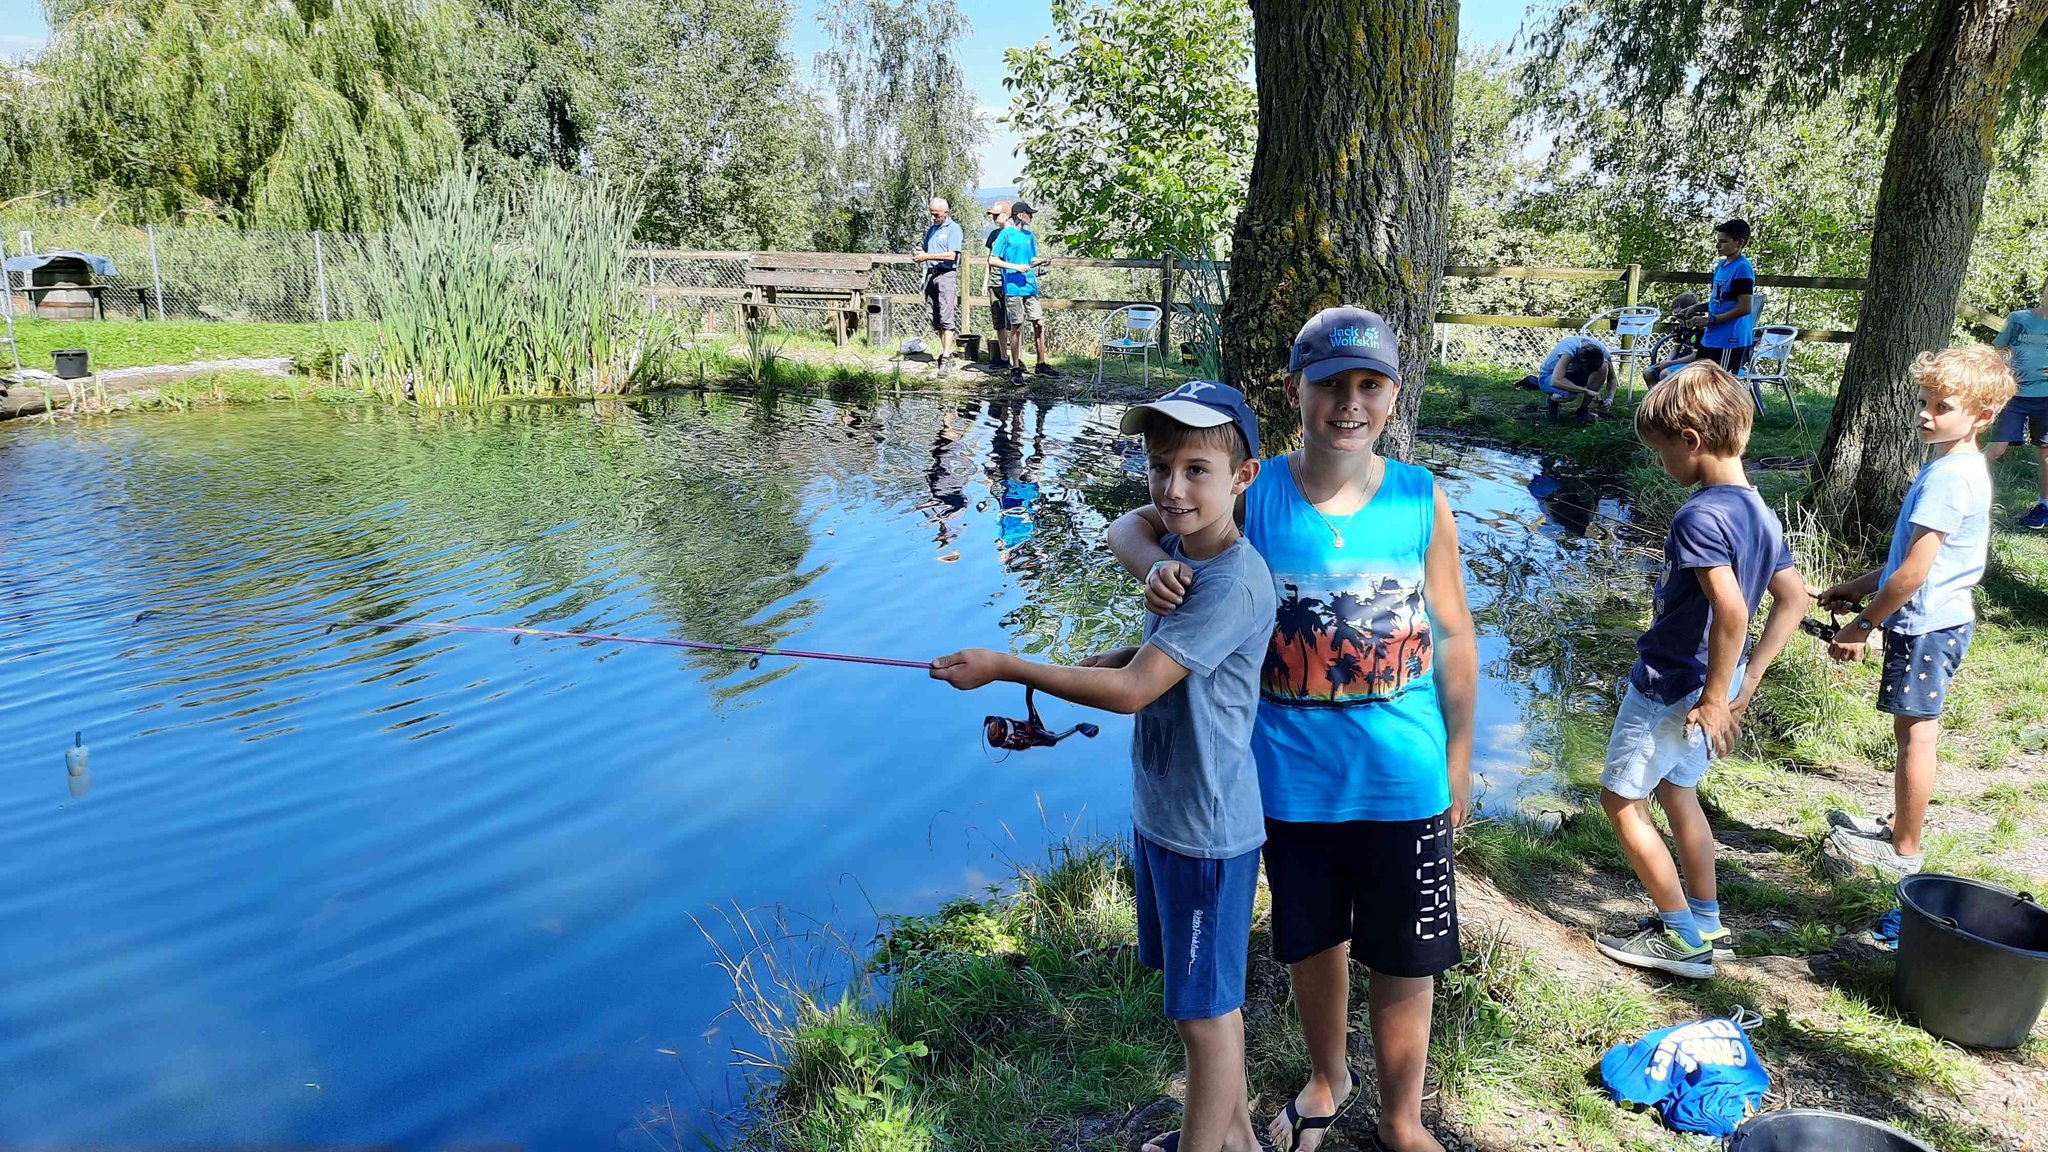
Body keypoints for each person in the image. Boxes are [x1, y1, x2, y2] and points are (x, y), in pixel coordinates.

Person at [1112, 308, 1479, 1152]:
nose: (1348, 403)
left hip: (1405, 773)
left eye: (1368, 385)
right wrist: (1157, 564)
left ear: (1393, 393)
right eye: (1329, 385)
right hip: (1286, 776)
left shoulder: (1424, 499)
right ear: (1295, 392)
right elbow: (1134, 525)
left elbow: (1454, 636)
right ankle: (1327, 1077)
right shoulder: (1253, 487)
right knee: (1314, 939)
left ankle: (1402, 1118)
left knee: (1406, 956)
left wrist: (1458, 759)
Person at [932, 381, 1275, 1152]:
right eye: (1160, 467)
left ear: (1242, 478)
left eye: (1196, 470)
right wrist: (1126, 622)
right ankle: (1242, 1144)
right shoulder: (1184, 555)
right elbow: (1154, 639)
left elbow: (1134, 692)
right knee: (1204, 1005)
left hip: (1207, 833)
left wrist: (1007, 665)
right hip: (1167, 815)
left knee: (1204, 1016)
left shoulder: (1232, 579)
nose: (1173, 488)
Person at [1592, 362, 1809, 979]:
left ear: (1689, 439)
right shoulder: (1760, 511)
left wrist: (1716, 698)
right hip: (1717, 681)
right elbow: (1792, 599)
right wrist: (1743, 685)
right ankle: (1707, 917)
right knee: (1677, 790)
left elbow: (1734, 609)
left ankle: (1683, 942)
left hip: (1671, 684)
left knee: (1620, 801)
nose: (1663, 464)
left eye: (1661, 452)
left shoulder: (1700, 515)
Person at [1817, 345, 2018, 879]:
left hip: (1927, 625)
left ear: (1982, 416)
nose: (1927, 414)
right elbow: (1905, 563)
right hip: (1940, 618)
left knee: (1916, 734)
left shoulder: (1950, 477)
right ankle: (1900, 828)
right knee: (1915, 729)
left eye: (1942, 406)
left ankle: (1904, 849)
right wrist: (1857, 587)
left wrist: (1863, 625)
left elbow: (1913, 574)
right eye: (1924, 401)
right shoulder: (1956, 465)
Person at [1987, 278, 2048, 528]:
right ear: (2042, 290)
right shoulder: (2019, 318)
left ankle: (2044, 506)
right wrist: (2004, 371)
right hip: (2014, 395)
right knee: (1997, 448)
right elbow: (1999, 349)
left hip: (2046, 398)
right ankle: (1956, 485)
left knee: (2046, 453)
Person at [990, 201, 1057, 384]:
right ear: (1020, 215)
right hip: (1012, 288)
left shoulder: (1029, 235)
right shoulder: (1006, 234)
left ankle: (1041, 364)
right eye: (1029, 214)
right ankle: (1016, 367)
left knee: (1039, 323)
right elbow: (993, 260)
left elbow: (1029, 259)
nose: (1032, 217)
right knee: (1017, 327)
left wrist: (1041, 261)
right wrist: (1014, 267)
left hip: (1030, 286)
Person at [1699, 220, 1758, 375]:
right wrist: (1695, 308)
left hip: (1730, 338)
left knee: (1719, 385)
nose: (1718, 246)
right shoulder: (1721, 265)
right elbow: (1720, 299)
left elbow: (1745, 307)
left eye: (1724, 242)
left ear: (1739, 243)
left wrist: (1711, 320)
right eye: (1718, 241)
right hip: (1713, 336)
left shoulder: (1742, 268)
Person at [912, 197, 964, 370]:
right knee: (934, 316)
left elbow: (952, 255)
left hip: (946, 275)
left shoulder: (954, 229)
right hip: (931, 276)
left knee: (946, 315)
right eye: (932, 214)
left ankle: (947, 356)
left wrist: (927, 256)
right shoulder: (932, 229)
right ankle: (945, 351)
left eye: (936, 214)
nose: (933, 217)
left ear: (946, 213)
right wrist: (921, 252)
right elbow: (926, 249)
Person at [1532, 333, 1615, 421]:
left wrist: (1610, 399)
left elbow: (1612, 379)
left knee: (1603, 367)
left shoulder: (1603, 351)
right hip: (1549, 377)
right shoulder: (1568, 350)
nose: (1589, 373)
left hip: (1574, 374)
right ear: (1580, 360)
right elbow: (1556, 381)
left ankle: (1583, 409)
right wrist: (1587, 391)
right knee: (1568, 394)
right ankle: (1552, 402)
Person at [1642, 291, 1707, 388]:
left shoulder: (1700, 329)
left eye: (1678, 314)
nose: (1676, 317)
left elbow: (1695, 355)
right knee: (1648, 372)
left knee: (1665, 374)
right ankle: (1655, 398)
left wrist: (1670, 363)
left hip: (1693, 363)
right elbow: (1676, 347)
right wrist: (1667, 361)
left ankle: (1669, 399)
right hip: (1678, 359)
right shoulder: (1682, 327)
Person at [983, 201, 1012, 370]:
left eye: (997, 215)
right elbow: (990, 259)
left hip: (1009, 282)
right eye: (992, 215)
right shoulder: (993, 235)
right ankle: (1003, 357)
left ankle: (1017, 357)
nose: (994, 218)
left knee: (1014, 321)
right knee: (999, 321)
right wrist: (985, 281)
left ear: (1006, 215)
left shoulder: (1014, 235)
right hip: (995, 282)